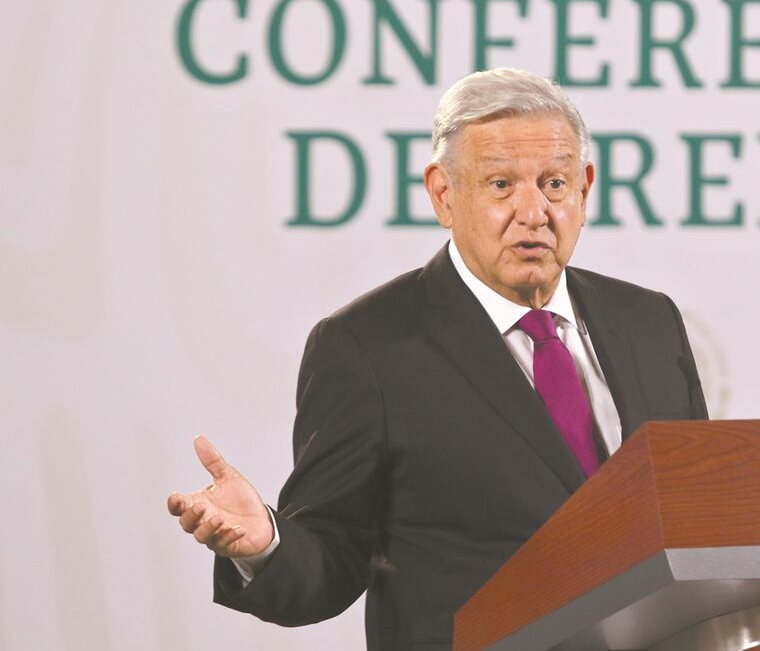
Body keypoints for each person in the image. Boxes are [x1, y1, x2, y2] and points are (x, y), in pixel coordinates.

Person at [167, 67, 708, 649]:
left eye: (554, 183)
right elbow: (333, 556)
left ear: (585, 188)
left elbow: (701, 517)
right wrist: (267, 544)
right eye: (501, 184)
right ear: (443, 194)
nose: (534, 212)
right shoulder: (367, 348)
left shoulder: (649, 322)